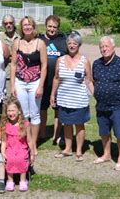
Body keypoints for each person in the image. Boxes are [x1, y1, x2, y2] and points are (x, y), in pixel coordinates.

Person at [92, 36, 120, 171]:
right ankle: (106, 154)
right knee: (104, 132)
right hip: (101, 106)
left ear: (113, 47)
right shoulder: (96, 64)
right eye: (102, 47)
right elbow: (94, 82)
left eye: (106, 46)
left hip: (118, 106)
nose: (104, 49)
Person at [50, 31, 94, 162]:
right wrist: (53, 94)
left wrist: (95, 95)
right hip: (64, 99)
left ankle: (79, 150)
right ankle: (68, 149)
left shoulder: (85, 61)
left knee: (79, 125)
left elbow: (89, 80)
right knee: (67, 124)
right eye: (69, 43)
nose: (72, 45)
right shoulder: (60, 60)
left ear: (79, 45)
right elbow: (56, 78)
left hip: (79, 100)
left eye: (74, 43)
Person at [10, 16, 47, 150]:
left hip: (35, 83)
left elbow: (44, 66)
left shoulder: (40, 43)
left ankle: (34, 144)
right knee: (24, 114)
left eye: (29, 24)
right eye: (24, 25)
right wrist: (13, 85)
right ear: (21, 27)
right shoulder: (17, 43)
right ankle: (25, 142)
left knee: (35, 114)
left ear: (33, 27)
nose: (27, 27)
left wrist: (40, 86)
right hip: (20, 82)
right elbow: (13, 65)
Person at [38, 15, 68, 143]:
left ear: (58, 28)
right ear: (45, 26)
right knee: (42, 108)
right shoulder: (39, 40)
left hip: (58, 82)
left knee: (57, 109)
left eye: (54, 27)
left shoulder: (63, 40)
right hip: (42, 81)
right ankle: (42, 133)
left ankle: (56, 135)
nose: (51, 29)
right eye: (49, 26)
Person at [0, 96, 35, 192]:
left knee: (21, 158)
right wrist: (3, 152)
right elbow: (3, 141)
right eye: (9, 111)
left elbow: (29, 140)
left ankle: (23, 180)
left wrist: (32, 153)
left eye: (13, 110)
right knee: (9, 158)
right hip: (10, 148)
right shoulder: (5, 125)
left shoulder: (25, 124)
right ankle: (10, 180)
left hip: (21, 148)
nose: (11, 113)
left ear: (19, 110)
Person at [0, 14, 20, 95]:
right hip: (6, 76)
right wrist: (14, 56)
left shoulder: (21, 38)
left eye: (10, 23)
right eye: (6, 23)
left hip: (19, 76)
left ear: (14, 23)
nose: (8, 25)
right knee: (7, 102)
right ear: (3, 25)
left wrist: (9, 56)